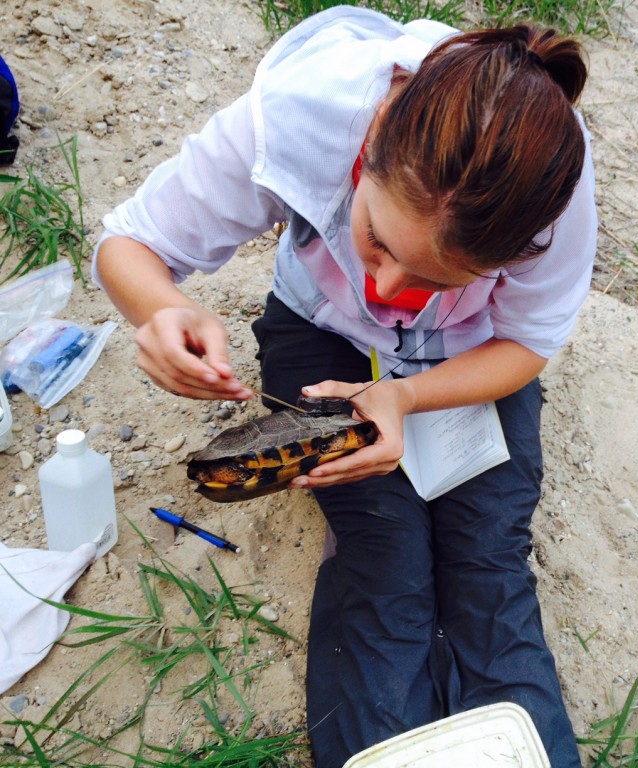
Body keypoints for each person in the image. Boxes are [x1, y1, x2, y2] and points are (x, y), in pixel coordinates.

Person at [93, 6, 596, 767]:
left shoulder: (551, 188)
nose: (387, 288)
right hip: (319, 333)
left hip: (469, 359)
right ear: (371, 139)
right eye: (374, 239)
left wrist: (405, 396)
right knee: (382, 551)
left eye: (434, 279)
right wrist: (166, 310)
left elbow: (527, 342)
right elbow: (129, 243)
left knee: (488, 555)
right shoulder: (304, 111)